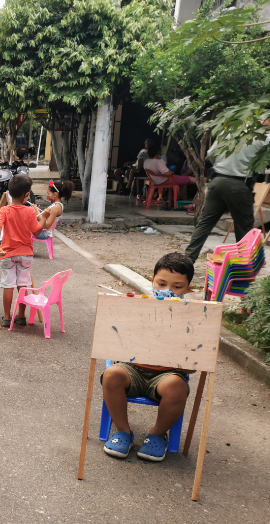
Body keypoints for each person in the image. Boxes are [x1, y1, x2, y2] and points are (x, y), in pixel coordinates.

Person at [100, 252, 194, 462]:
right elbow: (114, 343)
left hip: (168, 375)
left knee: (176, 387)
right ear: (152, 280)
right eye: (161, 283)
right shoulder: (136, 306)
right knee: (111, 374)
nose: (168, 290)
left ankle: (157, 435)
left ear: (189, 288)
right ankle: (123, 431)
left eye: (177, 287)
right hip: (133, 368)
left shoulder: (193, 316)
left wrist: (182, 356)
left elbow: (192, 367)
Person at [185, 132, 270, 262]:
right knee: (244, 228)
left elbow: (211, 153)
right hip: (239, 184)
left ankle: (187, 260)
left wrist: (222, 164)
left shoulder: (230, 129)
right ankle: (243, 264)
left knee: (205, 223)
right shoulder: (264, 135)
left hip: (217, 181)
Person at [0, 174, 48, 326]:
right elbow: (37, 232)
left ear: (9, 193)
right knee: (23, 285)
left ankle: (6, 317)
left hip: (7, 253)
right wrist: (42, 217)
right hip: (25, 254)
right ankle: (21, 315)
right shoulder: (30, 211)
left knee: (8, 284)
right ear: (26, 195)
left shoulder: (4, 210)